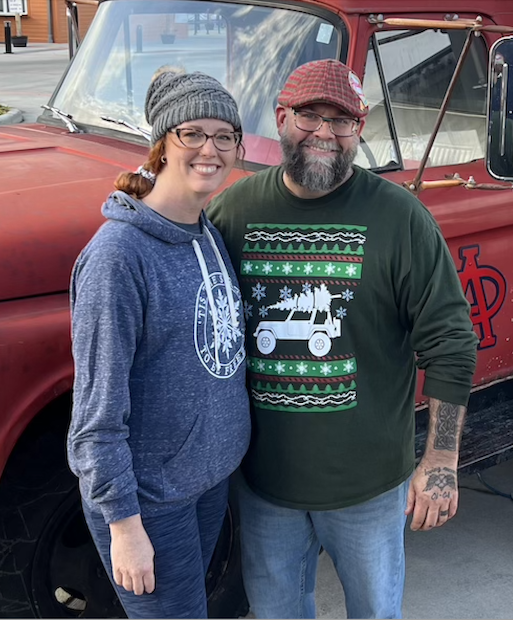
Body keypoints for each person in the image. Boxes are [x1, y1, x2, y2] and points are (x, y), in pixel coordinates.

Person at [208, 59, 480, 619]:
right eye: (310, 116)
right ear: (282, 118)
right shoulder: (233, 212)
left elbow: (451, 342)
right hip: (264, 487)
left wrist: (441, 461)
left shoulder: (402, 219)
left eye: (343, 120)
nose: (325, 133)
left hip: (368, 491)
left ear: (361, 128)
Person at [68, 68, 250, 619]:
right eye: (192, 133)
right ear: (162, 144)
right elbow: (95, 416)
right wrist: (124, 526)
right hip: (150, 502)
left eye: (224, 136)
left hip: (204, 483)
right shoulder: (117, 257)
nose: (209, 149)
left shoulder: (207, 231)